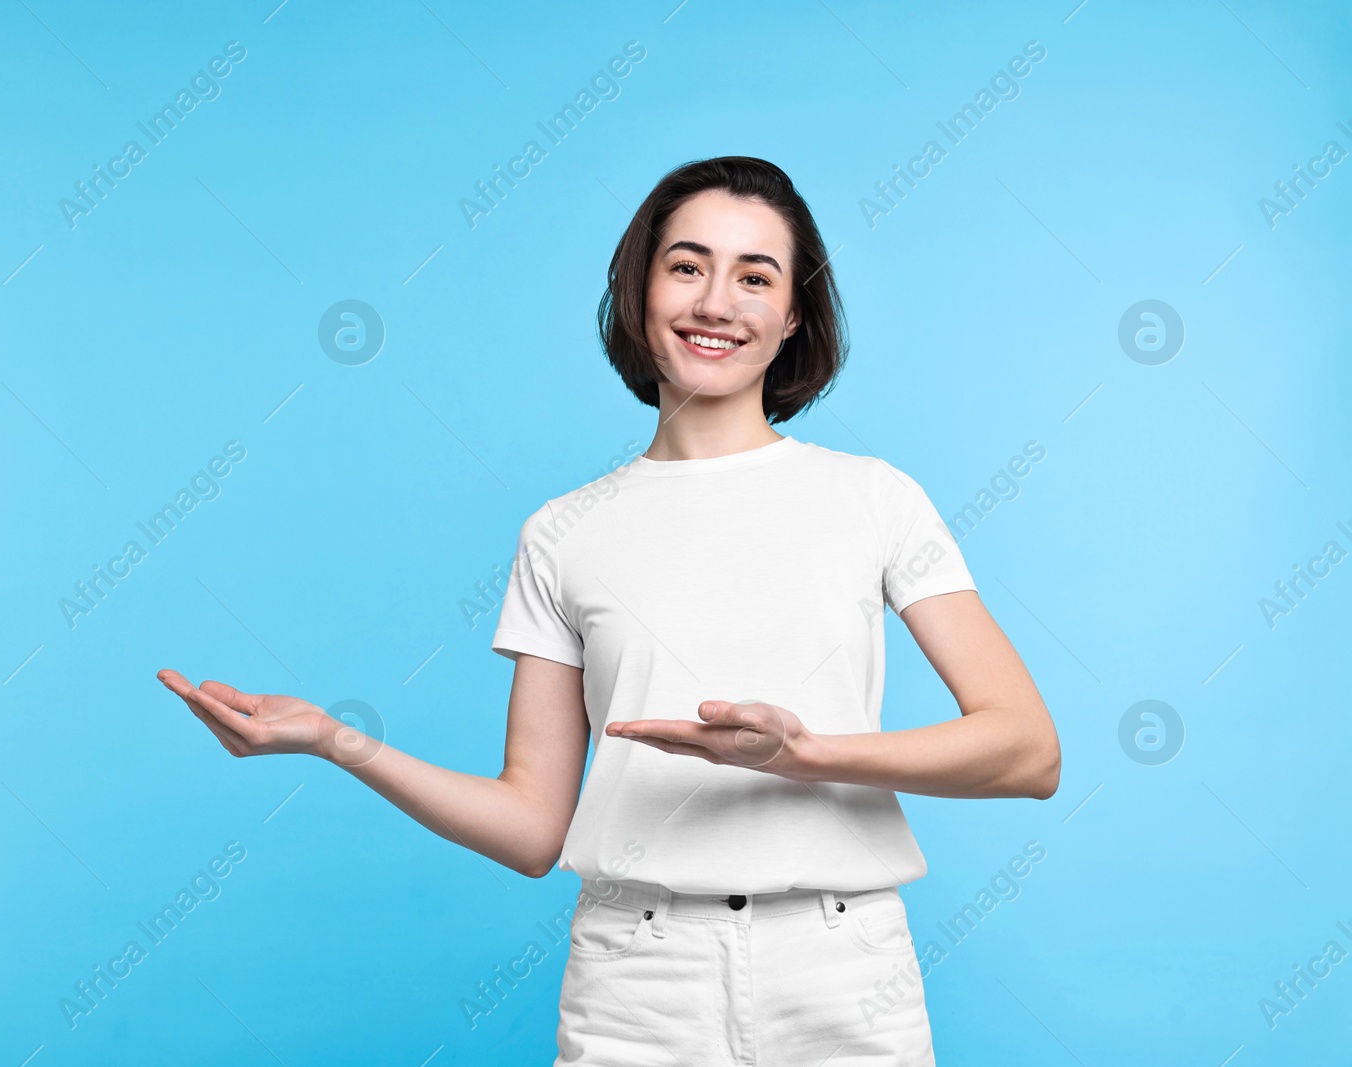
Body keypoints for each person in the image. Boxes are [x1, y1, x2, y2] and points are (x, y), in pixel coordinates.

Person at [158, 155, 1061, 1066]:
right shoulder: (562, 533)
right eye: (687, 266)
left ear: (792, 316)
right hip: (639, 983)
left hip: (843, 970)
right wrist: (338, 741)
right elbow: (532, 828)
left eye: (756, 277)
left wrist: (806, 754)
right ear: (639, 291)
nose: (717, 302)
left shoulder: (875, 498)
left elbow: (1028, 750)